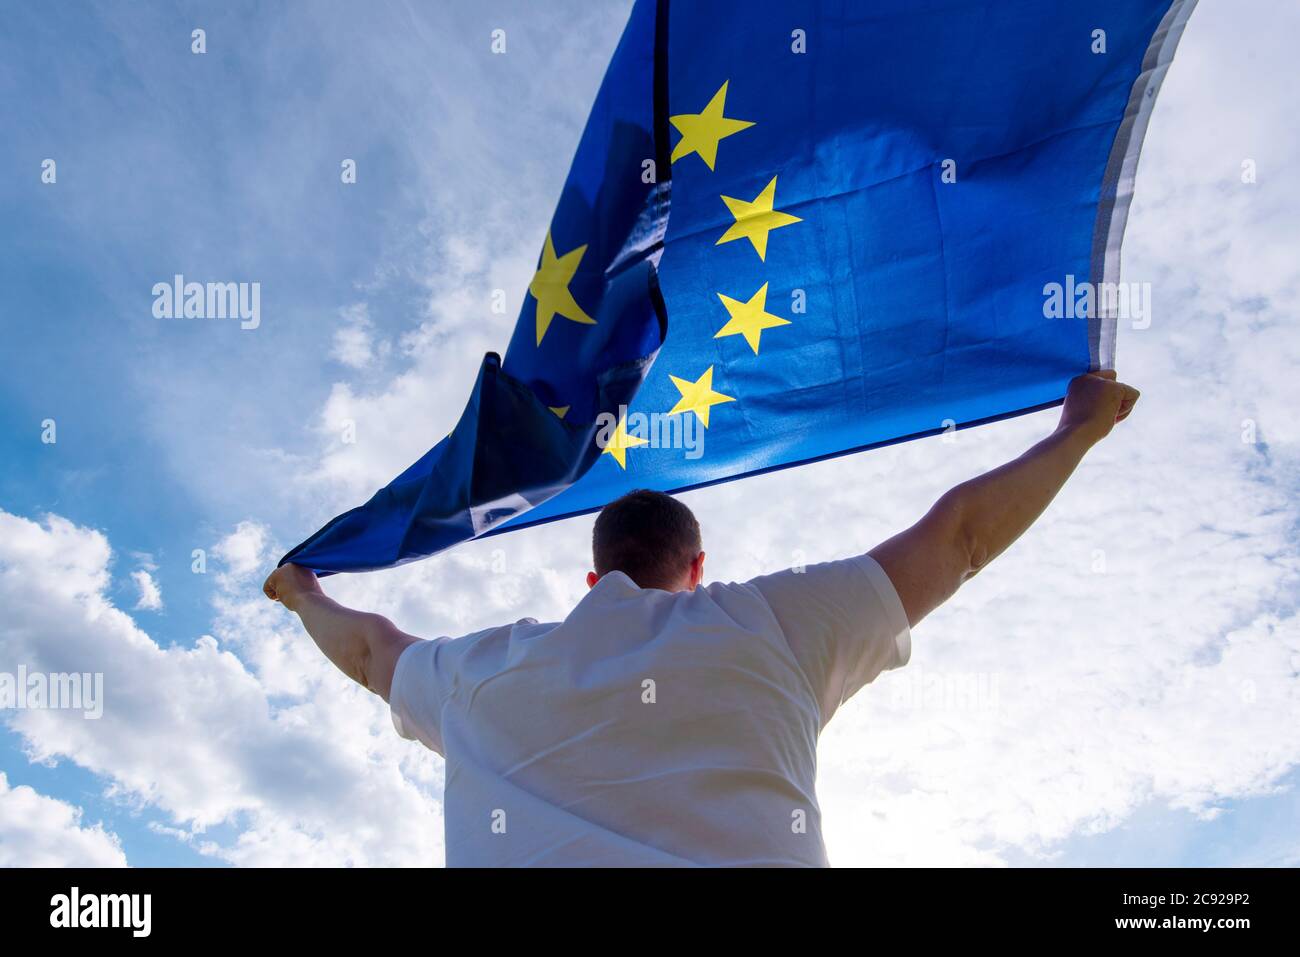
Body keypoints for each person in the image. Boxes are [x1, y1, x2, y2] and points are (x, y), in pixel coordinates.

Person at [264, 370, 1139, 866]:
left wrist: (306, 590)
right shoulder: (772, 626)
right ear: (696, 567)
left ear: (592, 572)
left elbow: (372, 652)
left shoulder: (478, 674)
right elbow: (958, 540)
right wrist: (1078, 431)